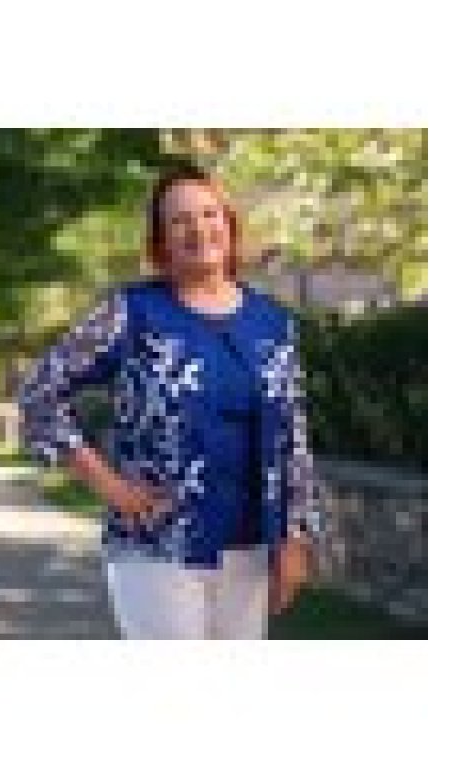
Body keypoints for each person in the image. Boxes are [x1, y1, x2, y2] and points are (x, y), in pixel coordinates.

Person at [16, 163, 324, 639]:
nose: (198, 228)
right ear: (161, 241)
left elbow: (292, 436)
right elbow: (40, 390)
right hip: (157, 545)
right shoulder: (131, 312)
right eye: (180, 220)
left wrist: (296, 536)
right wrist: (109, 485)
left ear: (229, 223)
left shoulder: (273, 323)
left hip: (250, 547)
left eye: (209, 214)